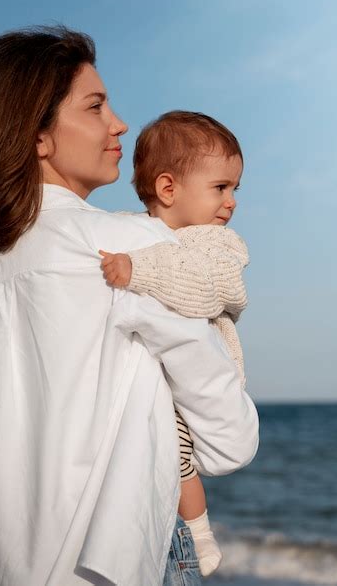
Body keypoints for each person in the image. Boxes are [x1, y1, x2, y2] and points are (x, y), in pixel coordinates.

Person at [0, 26, 259, 586]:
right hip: (122, 560)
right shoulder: (135, 248)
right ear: (38, 136)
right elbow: (230, 441)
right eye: (96, 105)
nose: (120, 124)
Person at [100, 111, 249, 578]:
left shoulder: (220, 245)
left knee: (182, 460)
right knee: (166, 456)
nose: (231, 202)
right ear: (168, 190)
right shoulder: (129, 230)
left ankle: (199, 536)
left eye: (234, 190)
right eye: (221, 187)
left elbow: (204, 283)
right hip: (149, 383)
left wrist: (137, 271)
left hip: (196, 383)